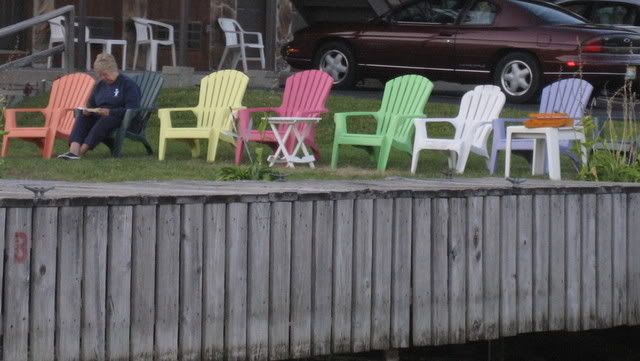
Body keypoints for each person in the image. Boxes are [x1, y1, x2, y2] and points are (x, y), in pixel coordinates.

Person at [58, 52, 141, 160]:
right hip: (101, 116)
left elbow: (133, 109)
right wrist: (87, 110)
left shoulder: (128, 85)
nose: (103, 77)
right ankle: (73, 152)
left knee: (106, 119)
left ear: (113, 69)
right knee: (83, 117)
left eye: (105, 74)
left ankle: (80, 152)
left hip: (122, 119)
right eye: (100, 74)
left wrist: (110, 112)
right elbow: (91, 104)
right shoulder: (100, 85)